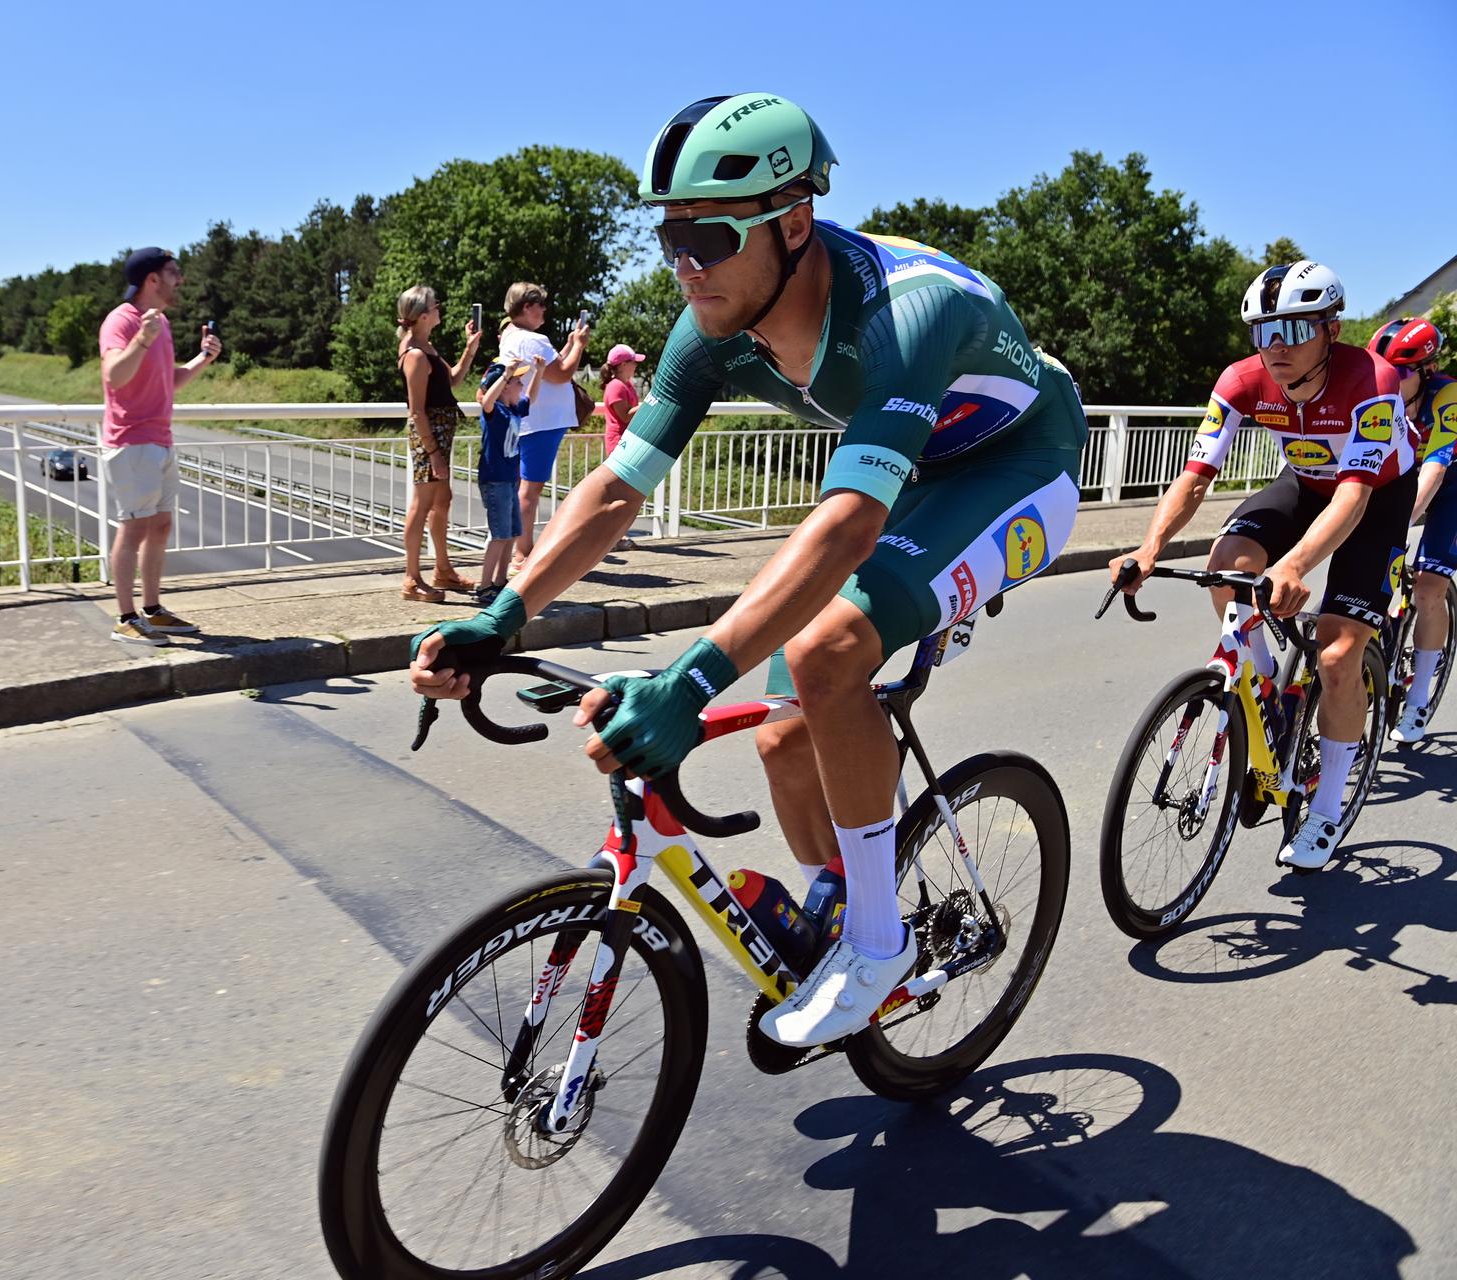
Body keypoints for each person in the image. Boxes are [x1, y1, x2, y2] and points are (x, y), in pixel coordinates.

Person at [410, 92, 1089, 1049]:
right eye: (671, 239)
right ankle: (843, 899)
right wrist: (502, 613)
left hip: (1020, 464)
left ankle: (879, 944)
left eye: (710, 238)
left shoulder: (905, 314)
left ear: (794, 222)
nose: (686, 266)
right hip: (917, 472)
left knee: (827, 651)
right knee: (780, 736)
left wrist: (689, 683)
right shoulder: (711, 329)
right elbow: (616, 488)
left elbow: (847, 527)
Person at [1111, 261, 1411, 866]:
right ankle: (1269, 689)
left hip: (1375, 497)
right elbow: (1196, 476)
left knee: (1337, 655)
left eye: (1294, 330)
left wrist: (1294, 565)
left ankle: (1327, 808)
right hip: (1305, 483)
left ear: (1331, 329)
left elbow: (1353, 498)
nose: (1276, 346)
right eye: (1263, 332)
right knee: (1228, 564)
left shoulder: (1371, 379)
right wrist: (1149, 548)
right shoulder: (1241, 380)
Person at [98, 246, 220, 645]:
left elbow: (171, 380)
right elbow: (115, 375)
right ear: (152, 279)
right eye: (173, 272)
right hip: (131, 441)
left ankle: (152, 610)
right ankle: (125, 617)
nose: (179, 279)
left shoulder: (160, 323)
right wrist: (141, 340)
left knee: (161, 525)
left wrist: (203, 359)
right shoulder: (122, 320)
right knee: (134, 527)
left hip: (160, 439)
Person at [1372, 318, 1457, 742]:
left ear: (1427, 370)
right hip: (1409, 477)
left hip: (1452, 484)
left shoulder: (1448, 396)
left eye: (1399, 372)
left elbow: (1436, 469)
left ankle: (1419, 696)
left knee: (1427, 587)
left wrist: (1398, 523)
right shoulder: (1380, 396)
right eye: (1381, 371)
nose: (1388, 380)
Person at [396, 285, 481, 602]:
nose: (439, 309)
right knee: (421, 505)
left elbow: (454, 379)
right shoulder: (415, 355)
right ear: (422, 315)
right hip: (429, 438)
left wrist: (470, 348)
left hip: (439, 436)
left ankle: (443, 570)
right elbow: (417, 411)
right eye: (435, 305)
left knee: (442, 500)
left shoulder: (426, 347)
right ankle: (411, 579)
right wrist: (433, 453)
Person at [497, 283, 590, 571]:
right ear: (527, 307)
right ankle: (522, 554)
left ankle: (517, 549)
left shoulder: (511, 337)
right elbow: (561, 373)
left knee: (522, 486)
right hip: (543, 422)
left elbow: (549, 365)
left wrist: (569, 345)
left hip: (524, 420)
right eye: (540, 305)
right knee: (530, 489)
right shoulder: (534, 339)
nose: (544, 310)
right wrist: (579, 346)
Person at [474, 357, 543, 604]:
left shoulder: (513, 409)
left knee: (512, 532)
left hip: (509, 480)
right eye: (517, 382)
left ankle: (500, 580)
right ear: (504, 387)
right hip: (495, 481)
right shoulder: (495, 412)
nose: (521, 385)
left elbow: (531, 398)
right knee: (500, 534)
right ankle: (484, 586)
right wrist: (505, 374)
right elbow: (487, 401)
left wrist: (540, 371)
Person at [600, 342, 647, 455]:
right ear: (623, 365)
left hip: (627, 441)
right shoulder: (616, 386)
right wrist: (648, 403)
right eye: (633, 362)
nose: (636, 365)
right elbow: (625, 417)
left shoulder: (627, 384)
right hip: (619, 443)